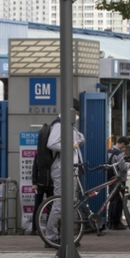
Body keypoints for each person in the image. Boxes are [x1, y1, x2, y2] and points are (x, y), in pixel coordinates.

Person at [43, 98, 85, 248]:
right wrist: (70, 145)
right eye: (77, 112)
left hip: (69, 167)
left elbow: (79, 138)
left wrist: (78, 140)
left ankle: (65, 235)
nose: (77, 116)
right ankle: (51, 236)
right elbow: (51, 144)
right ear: (71, 111)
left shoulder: (69, 126)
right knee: (60, 202)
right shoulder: (59, 125)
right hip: (61, 167)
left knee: (69, 202)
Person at [107, 137, 130, 230]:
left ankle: (110, 222)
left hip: (110, 179)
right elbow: (123, 168)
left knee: (112, 201)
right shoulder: (119, 154)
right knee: (118, 201)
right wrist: (128, 165)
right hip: (119, 180)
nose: (124, 148)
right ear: (122, 144)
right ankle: (116, 223)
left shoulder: (109, 151)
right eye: (124, 146)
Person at [31, 153, 54, 235]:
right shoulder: (38, 155)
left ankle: (49, 229)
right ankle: (34, 228)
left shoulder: (54, 154)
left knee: (51, 208)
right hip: (40, 185)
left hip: (51, 185)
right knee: (37, 207)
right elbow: (35, 169)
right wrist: (34, 182)